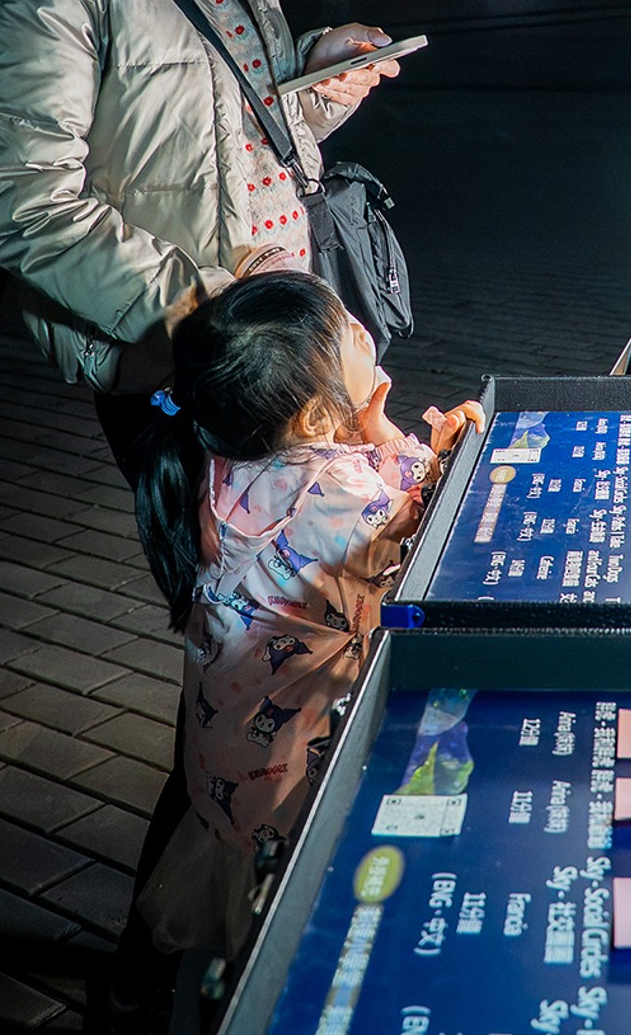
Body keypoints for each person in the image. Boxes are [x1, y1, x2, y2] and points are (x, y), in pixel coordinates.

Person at [0, 0, 404, 1026]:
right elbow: (21, 199)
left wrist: (312, 87)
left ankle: (193, 941)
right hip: (184, 369)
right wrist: (205, 315)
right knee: (252, 650)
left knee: (254, 647)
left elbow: (240, 139)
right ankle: (164, 969)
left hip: (272, 347)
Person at [125, 274, 482, 957]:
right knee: (298, 926)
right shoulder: (331, 486)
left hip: (228, 767)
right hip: (291, 771)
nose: (359, 326)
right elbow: (428, 527)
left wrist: (366, 427)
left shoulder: (226, 458)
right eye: (343, 329)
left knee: (242, 925)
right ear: (315, 418)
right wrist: (420, 445)